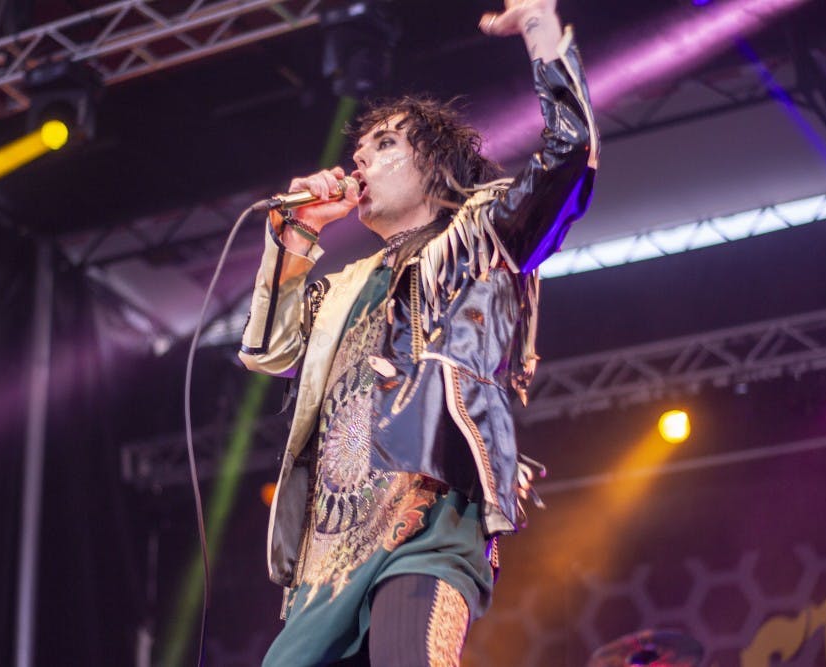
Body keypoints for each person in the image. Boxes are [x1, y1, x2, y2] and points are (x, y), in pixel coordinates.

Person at [238, 0, 598, 664]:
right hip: (330, 551)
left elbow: (570, 157)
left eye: (384, 147)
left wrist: (543, 33)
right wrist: (297, 233)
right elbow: (270, 349)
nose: (361, 165)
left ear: (435, 166)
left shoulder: (481, 236)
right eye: (358, 151)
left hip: (427, 517)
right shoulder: (344, 286)